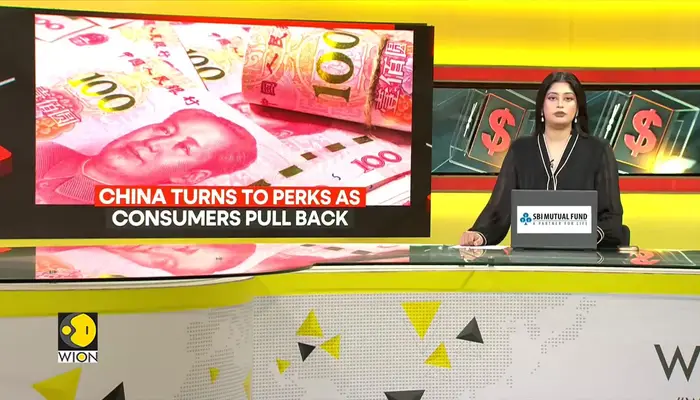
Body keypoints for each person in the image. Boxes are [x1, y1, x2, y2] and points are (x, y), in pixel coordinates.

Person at [460, 71, 624, 248]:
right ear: (541, 106)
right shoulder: (520, 150)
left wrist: (578, 235)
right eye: (552, 98)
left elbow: (611, 219)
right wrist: (479, 234)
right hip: (530, 257)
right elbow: (500, 209)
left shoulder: (598, 150)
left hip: (582, 256)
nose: (560, 104)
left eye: (568, 98)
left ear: (577, 107)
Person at [36, 108, 258, 204]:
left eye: (183, 148)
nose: (152, 143)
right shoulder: (45, 150)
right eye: (165, 130)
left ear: (189, 177)